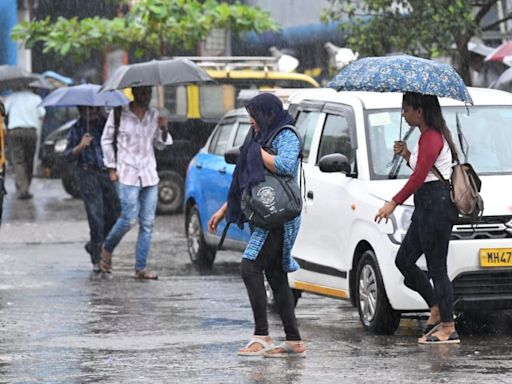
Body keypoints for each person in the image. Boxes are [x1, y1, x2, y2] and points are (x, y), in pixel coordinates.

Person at [208, 93, 306, 357]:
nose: (251, 120)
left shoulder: (287, 135)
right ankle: (294, 341)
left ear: (268, 114)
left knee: (250, 266)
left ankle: (261, 335)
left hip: (280, 215)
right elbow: (244, 180)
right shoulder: (257, 136)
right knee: (275, 274)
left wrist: (257, 151)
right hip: (263, 212)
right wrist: (223, 211)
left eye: (254, 115)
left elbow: (285, 165)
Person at [374, 92, 460, 344]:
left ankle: (448, 326)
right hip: (425, 206)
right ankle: (435, 306)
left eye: (406, 109)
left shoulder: (433, 137)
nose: (404, 114)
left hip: (436, 207)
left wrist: (393, 202)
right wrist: (407, 154)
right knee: (404, 260)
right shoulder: (426, 137)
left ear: (419, 111)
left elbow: (420, 176)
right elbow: (423, 167)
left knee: (437, 269)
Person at [100, 86, 172, 279]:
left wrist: (164, 128)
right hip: (126, 173)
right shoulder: (118, 114)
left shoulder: (154, 115)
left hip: (149, 174)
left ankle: (140, 267)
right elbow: (106, 140)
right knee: (129, 218)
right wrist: (111, 167)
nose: (146, 97)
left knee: (147, 223)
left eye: (149, 93)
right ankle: (107, 248)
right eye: (142, 93)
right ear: (134, 93)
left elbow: (160, 144)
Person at [64, 106, 120, 272]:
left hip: (106, 173)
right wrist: (81, 146)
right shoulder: (77, 128)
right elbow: (67, 155)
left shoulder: (105, 124)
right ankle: (98, 258)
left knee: (115, 213)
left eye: (94, 109)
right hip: (87, 174)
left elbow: (117, 142)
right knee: (95, 216)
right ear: (81, 111)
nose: (92, 113)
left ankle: (94, 244)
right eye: (87, 110)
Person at [4, 87, 46, 199]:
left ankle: (23, 188)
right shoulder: (36, 98)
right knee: (29, 160)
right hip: (31, 132)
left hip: (15, 132)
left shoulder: (12, 97)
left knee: (18, 161)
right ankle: (24, 186)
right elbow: (42, 113)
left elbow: (4, 111)